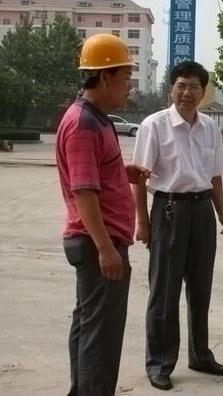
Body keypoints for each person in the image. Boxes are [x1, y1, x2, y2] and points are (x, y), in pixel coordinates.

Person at [131, 61, 223, 390]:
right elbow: (138, 178)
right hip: (169, 211)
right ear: (171, 89)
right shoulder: (154, 125)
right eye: (181, 86)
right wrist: (143, 222)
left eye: (193, 87)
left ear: (203, 92)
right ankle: (160, 362)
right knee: (164, 291)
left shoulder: (210, 127)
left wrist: (222, 213)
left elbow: (215, 175)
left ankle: (200, 354)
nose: (186, 93)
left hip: (202, 211)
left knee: (201, 289)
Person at [56, 33, 150, 396]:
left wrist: (122, 172)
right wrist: (106, 249)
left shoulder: (96, 119)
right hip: (99, 242)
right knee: (101, 337)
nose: (129, 86)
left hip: (97, 240)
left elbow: (92, 173)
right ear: (105, 76)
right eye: (126, 78)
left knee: (88, 326)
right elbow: (83, 191)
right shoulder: (84, 124)